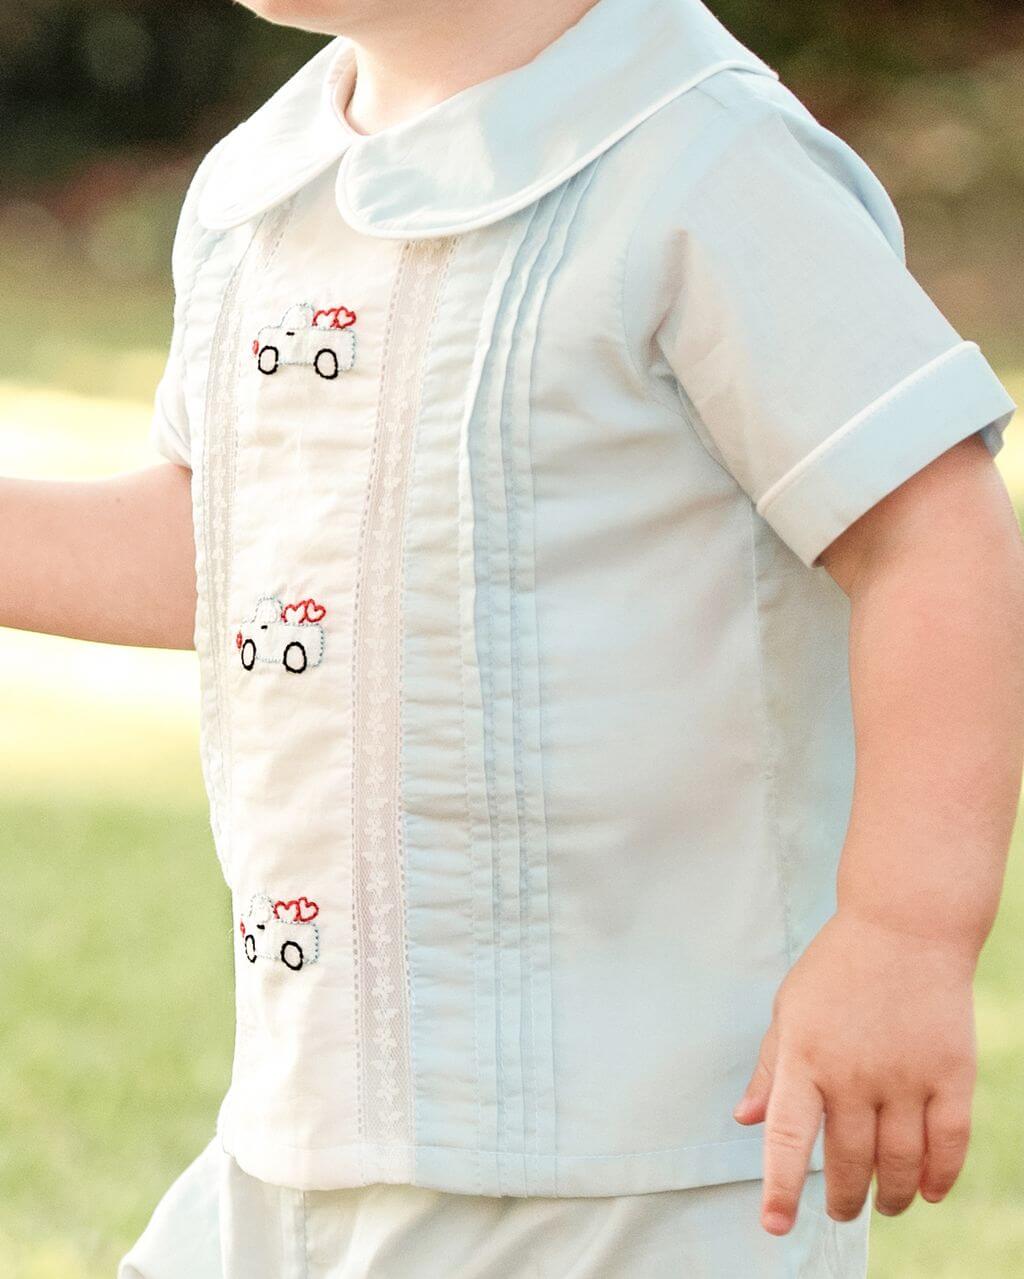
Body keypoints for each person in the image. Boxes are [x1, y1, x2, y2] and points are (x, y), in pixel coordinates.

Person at [6, 0, 1021, 1275]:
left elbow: (930, 534)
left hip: (647, 1165)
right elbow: (240, 552)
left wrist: (901, 934)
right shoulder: (259, 194)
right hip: (303, 1145)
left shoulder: (705, 165)